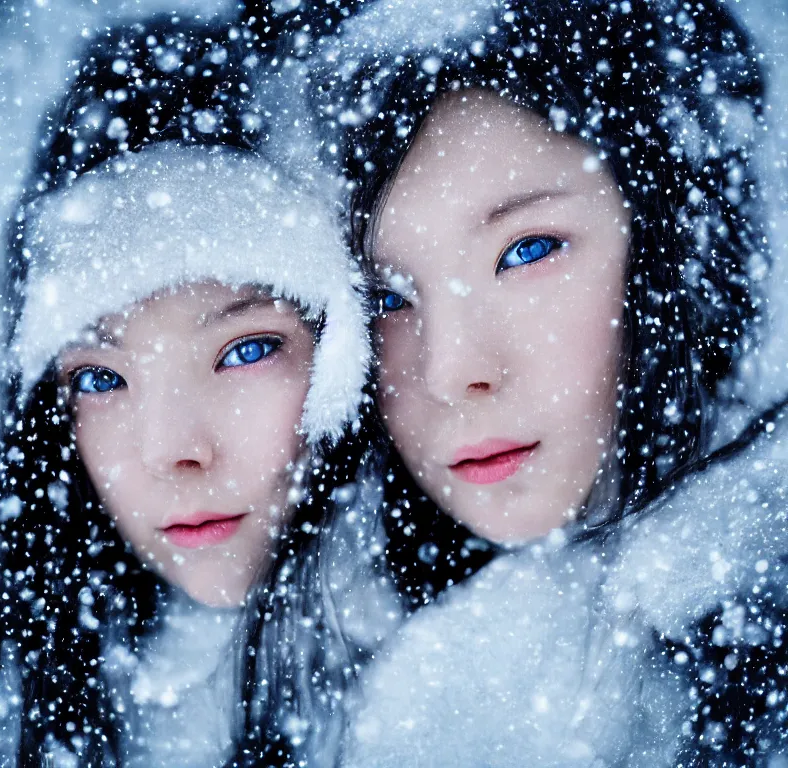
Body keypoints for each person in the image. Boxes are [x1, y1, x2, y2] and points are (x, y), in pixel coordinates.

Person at [233, 0, 788, 765]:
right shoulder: (309, 644)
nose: (453, 372)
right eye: (387, 297)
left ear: (674, 235)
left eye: (526, 251)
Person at [0, 16, 371, 767]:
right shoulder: (40, 698)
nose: (172, 451)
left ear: (347, 342)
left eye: (245, 350)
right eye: (100, 377)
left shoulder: (495, 681)